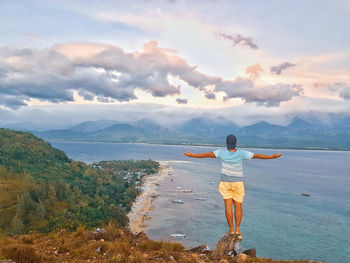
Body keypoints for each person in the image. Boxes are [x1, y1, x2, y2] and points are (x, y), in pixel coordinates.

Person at [184, 134, 282, 240]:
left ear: (226, 143)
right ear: (236, 143)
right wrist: (272, 157)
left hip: (225, 183)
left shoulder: (221, 152)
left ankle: (231, 229)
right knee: (238, 206)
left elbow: (207, 155)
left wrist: (193, 155)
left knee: (228, 206)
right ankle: (238, 229)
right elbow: (257, 156)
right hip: (238, 183)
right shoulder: (242, 153)